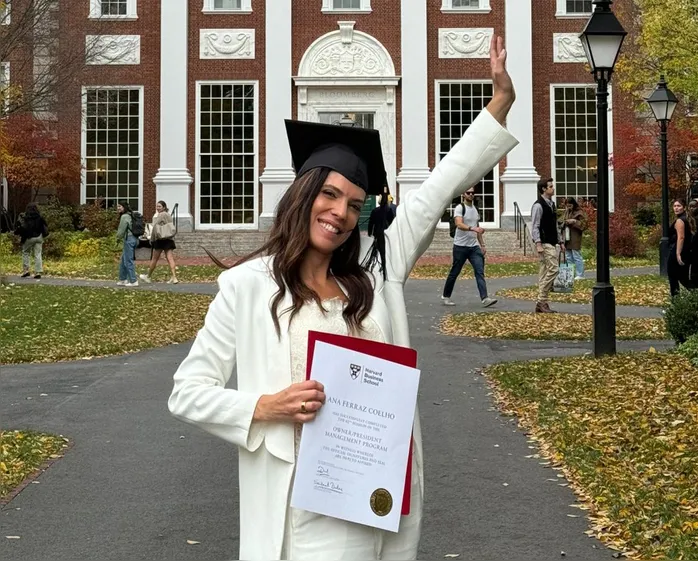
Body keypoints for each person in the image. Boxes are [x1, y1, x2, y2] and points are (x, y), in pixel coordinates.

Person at [167, 35, 517, 561]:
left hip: (375, 499)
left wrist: (500, 102)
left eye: (355, 204)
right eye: (330, 195)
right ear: (304, 195)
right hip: (301, 509)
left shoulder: (375, 278)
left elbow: (436, 190)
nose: (341, 213)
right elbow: (187, 391)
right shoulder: (247, 287)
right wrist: (264, 406)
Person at [440, 187, 497, 307]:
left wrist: (482, 244)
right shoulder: (460, 208)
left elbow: (477, 227)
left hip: (473, 247)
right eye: (468, 193)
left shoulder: (475, 209)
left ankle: (485, 298)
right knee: (455, 272)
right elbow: (459, 224)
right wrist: (472, 228)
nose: (471, 195)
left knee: (479, 271)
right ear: (463, 194)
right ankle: (446, 296)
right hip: (460, 246)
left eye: (472, 193)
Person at [531, 178, 564, 313]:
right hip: (544, 242)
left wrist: (560, 241)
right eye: (550, 186)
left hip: (552, 241)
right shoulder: (538, 205)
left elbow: (555, 225)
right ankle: (541, 299)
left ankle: (542, 302)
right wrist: (538, 243)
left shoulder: (552, 205)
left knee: (544, 271)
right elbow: (535, 226)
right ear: (544, 189)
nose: (553, 188)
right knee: (554, 269)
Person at [139, 200, 179, 284]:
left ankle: (148, 276)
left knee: (154, 259)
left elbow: (155, 228)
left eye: (159, 206)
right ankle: (174, 277)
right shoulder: (168, 215)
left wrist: (152, 239)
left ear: (164, 207)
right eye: (157, 206)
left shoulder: (161, 215)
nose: (157, 208)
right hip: (168, 239)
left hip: (160, 239)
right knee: (170, 258)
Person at [667, 198, 695, 297]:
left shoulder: (680, 221)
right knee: (683, 278)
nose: (676, 208)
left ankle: (676, 302)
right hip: (686, 251)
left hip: (677, 251)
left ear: (684, 207)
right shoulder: (687, 219)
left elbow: (681, 237)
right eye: (674, 206)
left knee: (673, 278)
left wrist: (678, 253)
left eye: (679, 206)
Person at [15, 202, 48, 279]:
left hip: (28, 238)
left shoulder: (25, 217)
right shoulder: (40, 217)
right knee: (38, 254)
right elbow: (45, 226)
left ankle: (26, 271)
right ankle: (38, 272)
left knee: (26, 252)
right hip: (39, 237)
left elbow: (22, 228)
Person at [561, 197, 587, 280]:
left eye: (570, 206)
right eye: (567, 206)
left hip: (575, 236)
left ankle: (580, 274)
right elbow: (561, 221)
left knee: (576, 255)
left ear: (573, 204)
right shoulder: (566, 212)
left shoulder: (579, 212)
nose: (568, 208)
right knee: (568, 256)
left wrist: (574, 222)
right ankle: (569, 274)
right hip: (567, 236)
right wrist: (565, 222)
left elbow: (584, 224)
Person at [116, 201, 139, 287]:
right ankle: (123, 279)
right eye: (117, 206)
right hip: (133, 238)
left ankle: (133, 281)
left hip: (129, 239)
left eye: (120, 206)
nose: (118, 208)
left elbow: (121, 230)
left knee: (128, 260)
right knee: (123, 259)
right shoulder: (130, 215)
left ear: (124, 207)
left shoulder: (124, 216)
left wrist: (117, 238)